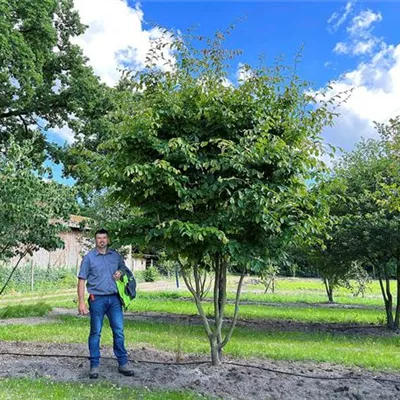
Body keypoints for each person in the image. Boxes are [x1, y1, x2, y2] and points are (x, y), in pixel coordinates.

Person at [77, 228, 135, 379]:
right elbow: (81, 280)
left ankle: (123, 363)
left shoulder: (115, 256)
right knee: (95, 332)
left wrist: (120, 272)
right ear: (95, 241)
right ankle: (94, 365)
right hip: (97, 299)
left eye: (104, 238)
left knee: (119, 331)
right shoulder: (89, 258)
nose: (101, 240)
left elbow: (124, 268)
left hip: (115, 299)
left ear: (108, 240)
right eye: (98, 238)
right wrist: (81, 302)